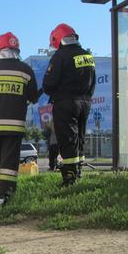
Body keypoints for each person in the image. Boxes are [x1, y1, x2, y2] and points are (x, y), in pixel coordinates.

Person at [0, 32, 39, 207]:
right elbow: (33, 96)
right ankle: (5, 193)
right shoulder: (26, 70)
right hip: (15, 125)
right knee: (9, 160)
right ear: (17, 48)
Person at [43, 23, 95, 187]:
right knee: (79, 137)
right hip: (85, 102)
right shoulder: (87, 55)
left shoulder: (60, 56)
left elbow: (48, 84)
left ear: (58, 39)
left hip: (66, 103)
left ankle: (69, 177)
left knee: (67, 138)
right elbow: (92, 82)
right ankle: (78, 171)